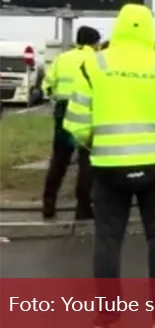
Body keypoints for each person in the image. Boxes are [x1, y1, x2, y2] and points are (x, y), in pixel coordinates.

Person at [62, 4, 155, 328]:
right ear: (149, 28)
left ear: (118, 27)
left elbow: (77, 122)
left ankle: (108, 312)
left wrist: (95, 143)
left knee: (108, 239)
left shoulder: (94, 65)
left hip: (108, 166)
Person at [41, 25, 101, 220]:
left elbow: (47, 85)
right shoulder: (97, 60)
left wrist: (57, 101)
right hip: (87, 110)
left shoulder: (61, 58)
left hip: (63, 109)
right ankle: (83, 208)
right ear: (95, 43)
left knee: (59, 159)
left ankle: (49, 203)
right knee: (86, 160)